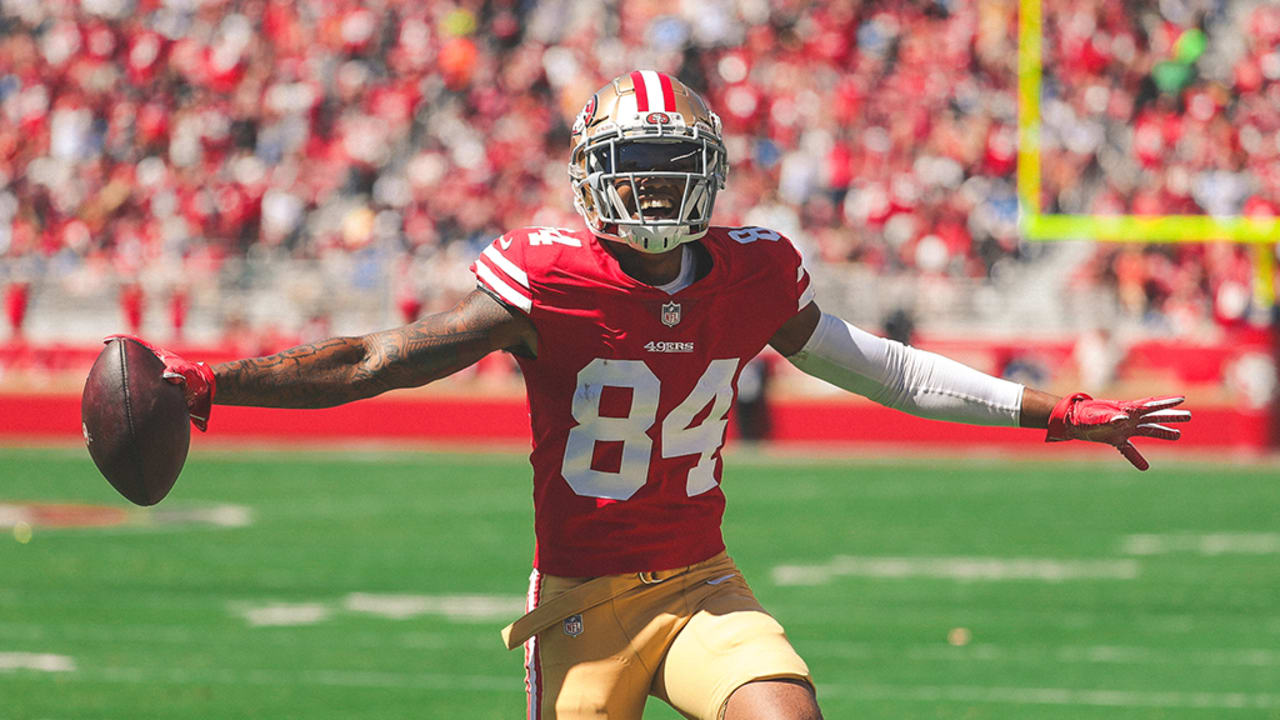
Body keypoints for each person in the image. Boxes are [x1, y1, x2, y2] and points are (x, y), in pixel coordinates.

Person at [122, 71, 1190, 720]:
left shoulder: (752, 272)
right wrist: (214, 381)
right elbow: (377, 360)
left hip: (699, 585)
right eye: (634, 163)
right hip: (578, 606)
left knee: (785, 707)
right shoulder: (549, 278)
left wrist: (1051, 409)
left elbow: (883, 366)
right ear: (590, 174)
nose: (657, 185)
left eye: (675, 163)